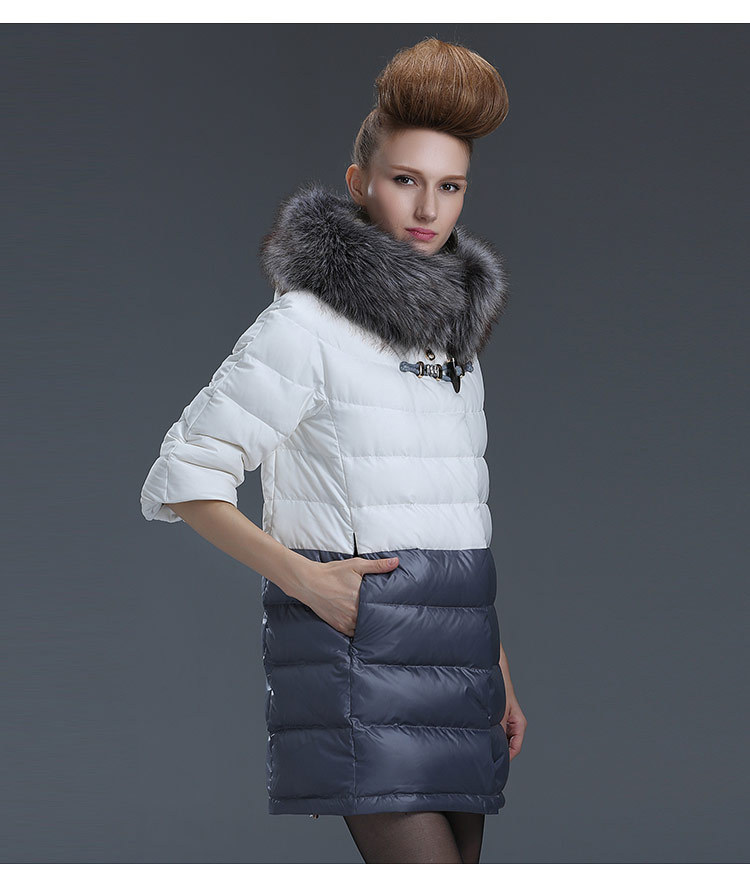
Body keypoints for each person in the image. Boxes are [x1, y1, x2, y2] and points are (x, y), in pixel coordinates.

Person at [140, 37, 527, 863]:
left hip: (461, 658)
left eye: (449, 186)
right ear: (359, 183)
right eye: (405, 179)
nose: (427, 208)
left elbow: (458, 512)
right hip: (361, 649)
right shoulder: (306, 325)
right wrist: (305, 579)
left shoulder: (456, 343)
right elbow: (185, 473)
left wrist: (495, 663)